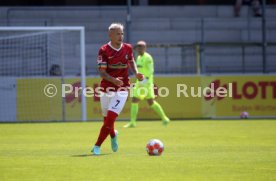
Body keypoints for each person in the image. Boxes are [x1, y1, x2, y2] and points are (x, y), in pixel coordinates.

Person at [91, 23, 144, 155]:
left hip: (122, 89)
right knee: (107, 120)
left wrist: (136, 73)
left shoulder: (128, 48)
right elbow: (102, 73)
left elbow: (131, 62)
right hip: (107, 88)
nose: (120, 36)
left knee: (110, 119)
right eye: (117, 34)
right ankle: (113, 135)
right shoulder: (103, 50)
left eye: (122, 33)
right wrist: (114, 80)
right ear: (110, 35)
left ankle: (97, 146)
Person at [124, 41, 170, 128]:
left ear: (145, 48)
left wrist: (145, 81)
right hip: (141, 82)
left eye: (141, 47)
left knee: (134, 100)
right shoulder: (138, 57)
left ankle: (133, 122)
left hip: (145, 83)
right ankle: (165, 118)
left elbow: (150, 71)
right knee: (151, 102)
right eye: (138, 47)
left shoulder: (148, 58)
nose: (139, 48)